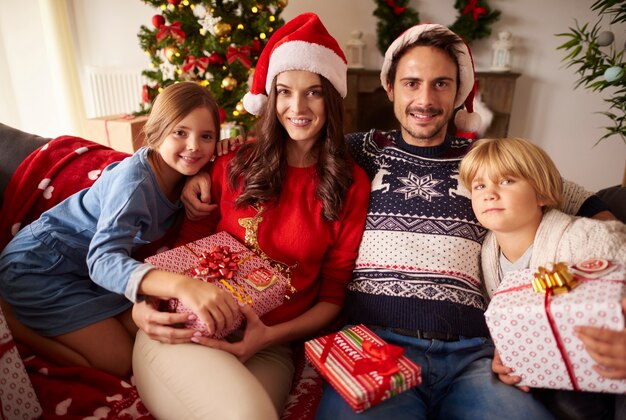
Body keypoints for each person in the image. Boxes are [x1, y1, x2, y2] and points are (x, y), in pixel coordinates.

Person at [167, 23, 612, 419]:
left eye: (441, 84)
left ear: (459, 93)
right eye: (412, 83)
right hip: (373, 346)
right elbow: (291, 136)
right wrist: (202, 172)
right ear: (390, 89)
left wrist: (601, 215)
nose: (424, 99)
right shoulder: (358, 152)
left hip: (472, 352)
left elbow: (563, 189)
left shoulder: (482, 158)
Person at [131, 13, 371, 420]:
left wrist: (266, 337)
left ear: (331, 98)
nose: (297, 107)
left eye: (313, 92)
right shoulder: (232, 164)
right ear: (271, 98)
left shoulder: (352, 183)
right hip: (188, 325)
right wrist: (141, 306)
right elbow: (184, 252)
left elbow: (332, 295)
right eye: (284, 92)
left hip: (270, 344)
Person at [0, 81, 225, 377]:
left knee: (151, 329)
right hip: (38, 265)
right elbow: (102, 260)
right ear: (156, 131)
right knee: (119, 362)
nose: (195, 145)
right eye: (180, 133)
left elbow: (208, 157)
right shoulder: (134, 184)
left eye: (206, 136)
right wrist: (182, 284)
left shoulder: (183, 174)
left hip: (84, 272)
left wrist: (210, 167)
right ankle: (14, 325)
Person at [458, 136, 626, 420]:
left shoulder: (585, 238)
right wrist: (507, 353)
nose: (490, 193)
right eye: (480, 185)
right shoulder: (484, 255)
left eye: (507, 181)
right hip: (551, 374)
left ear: (542, 195)